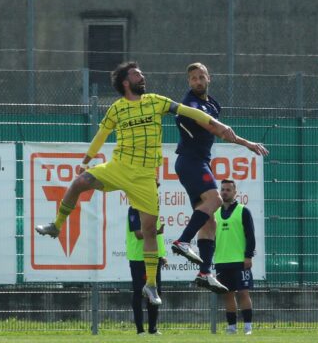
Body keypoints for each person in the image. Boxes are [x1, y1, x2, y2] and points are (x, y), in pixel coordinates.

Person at [36, 61, 238, 306]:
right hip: (118, 168)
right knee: (79, 182)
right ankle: (57, 226)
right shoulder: (117, 108)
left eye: (142, 74)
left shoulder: (155, 101)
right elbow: (101, 134)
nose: (142, 77)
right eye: (137, 75)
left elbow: (189, 111)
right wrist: (87, 160)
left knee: (150, 231)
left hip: (144, 177)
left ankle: (151, 285)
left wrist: (219, 125)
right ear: (125, 82)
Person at [170, 62, 267, 293]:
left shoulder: (213, 104)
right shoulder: (190, 104)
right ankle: (182, 241)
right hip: (190, 161)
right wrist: (247, 144)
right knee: (214, 201)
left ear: (208, 78)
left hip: (200, 162)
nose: (197, 81)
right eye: (192, 78)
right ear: (188, 82)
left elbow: (218, 127)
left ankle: (204, 273)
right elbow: (216, 129)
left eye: (200, 77)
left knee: (209, 222)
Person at [214, 179, 256, 335]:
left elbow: (250, 236)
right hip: (221, 261)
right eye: (222, 189)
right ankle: (231, 327)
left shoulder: (243, 211)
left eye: (228, 190)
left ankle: (248, 327)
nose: (224, 192)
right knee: (227, 295)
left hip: (239, 261)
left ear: (234, 192)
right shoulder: (215, 213)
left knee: (243, 293)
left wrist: (248, 256)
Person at [126, 205, 166, 335]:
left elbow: (156, 239)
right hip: (138, 258)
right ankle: (140, 330)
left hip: (154, 257)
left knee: (155, 292)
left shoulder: (152, 208)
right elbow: (138, 235)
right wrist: (158, 231)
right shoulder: (134, 209)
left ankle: (153, 329)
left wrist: (161, 255)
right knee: (139, 292)